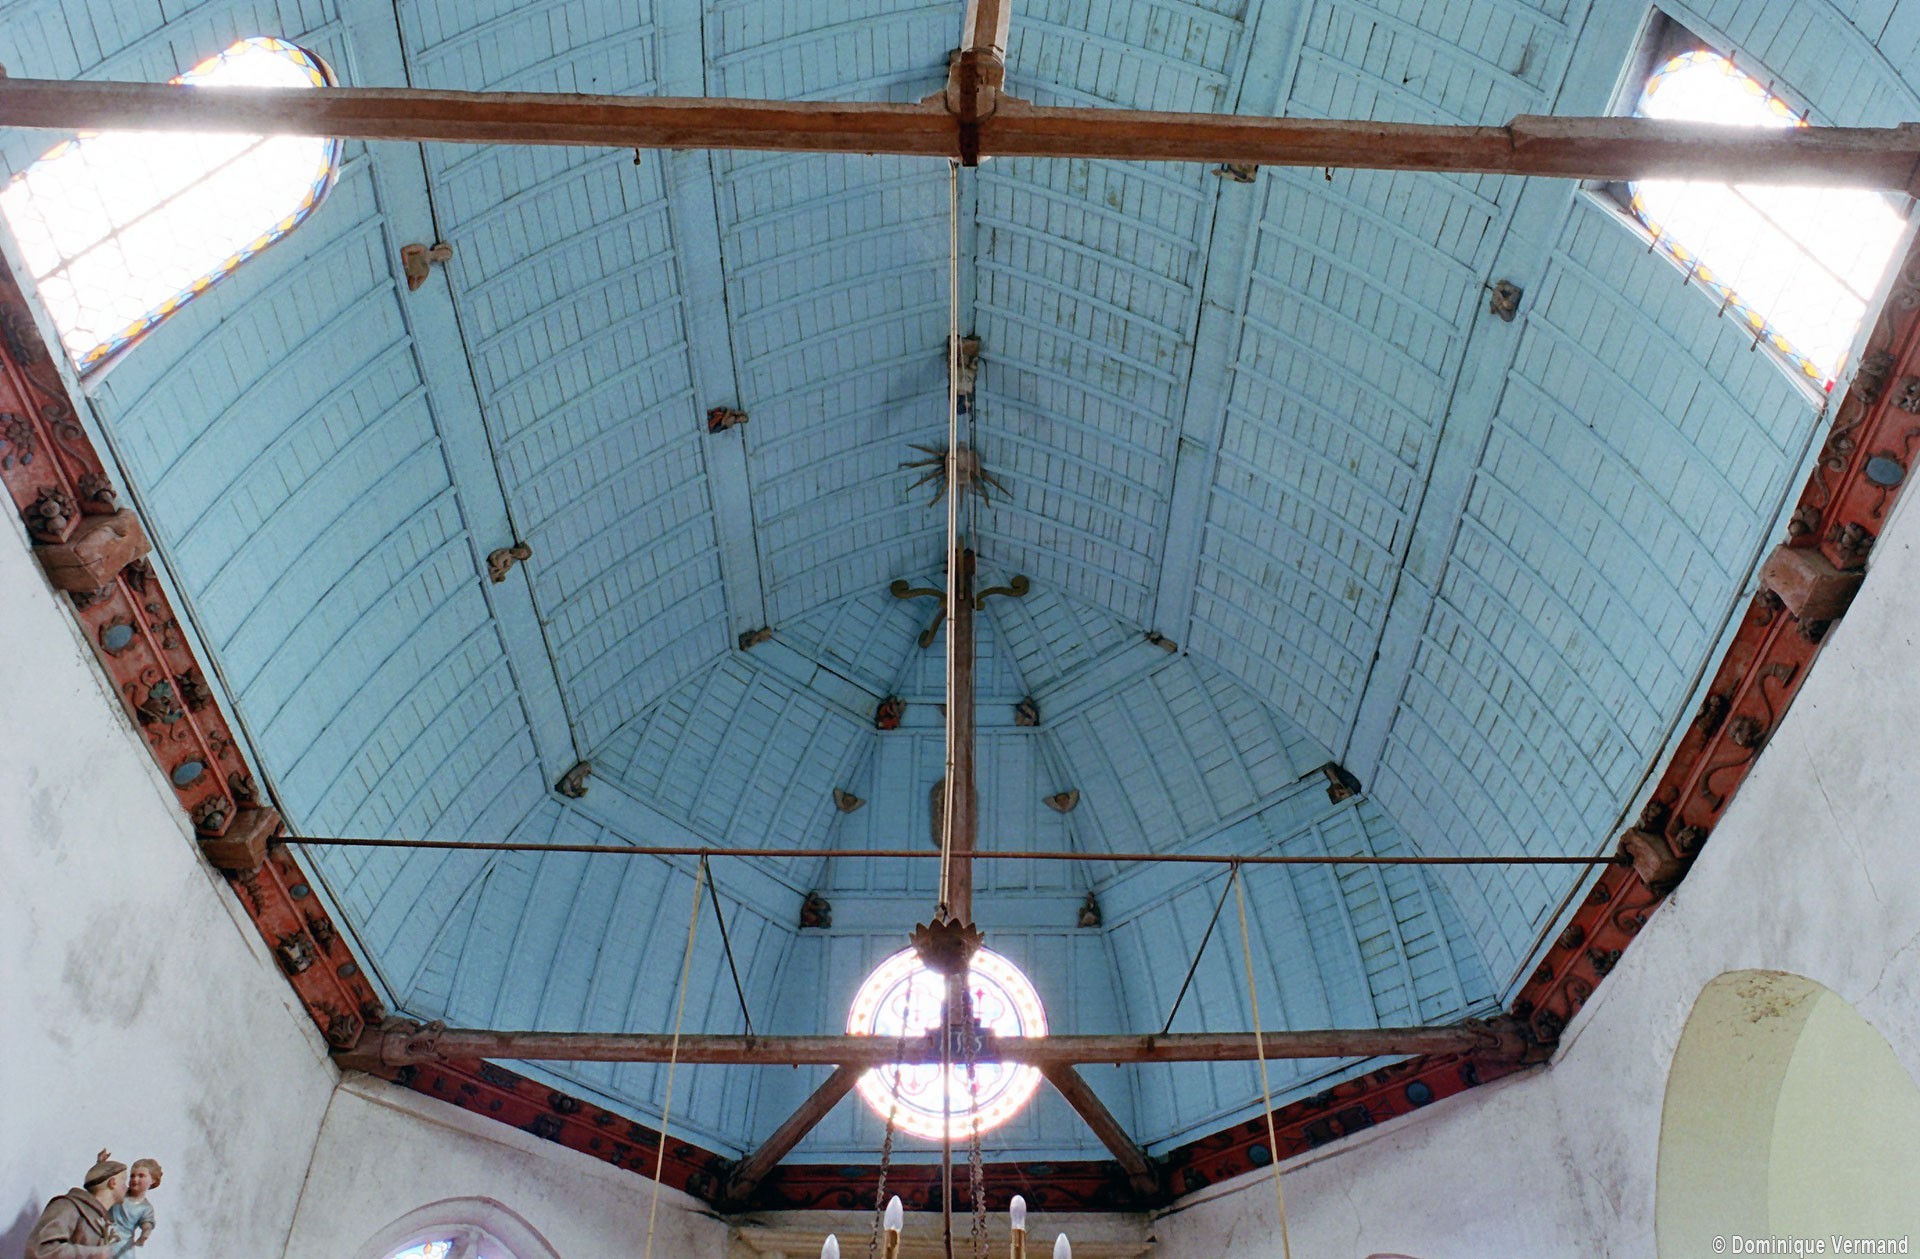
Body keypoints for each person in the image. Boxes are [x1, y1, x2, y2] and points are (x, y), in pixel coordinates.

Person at [25, 1153, 125, 1259]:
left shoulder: (105, 1225)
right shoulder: (67, 1206)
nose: (127, 1187)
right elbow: (42, 1251)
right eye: (124, 1180)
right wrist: (96, 1253)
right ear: (112, 1182)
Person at [106, 1160, 159, 1257]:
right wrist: (101, 1163)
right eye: (132, 1176)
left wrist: (144, 1235)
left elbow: (147, 1224)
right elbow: (104, 1185)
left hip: (122, 1247)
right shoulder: (120, 1192)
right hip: (104, 1238)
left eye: (141, 1176)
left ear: (152, 1181)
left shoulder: (145, 1208)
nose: (135, 1179)